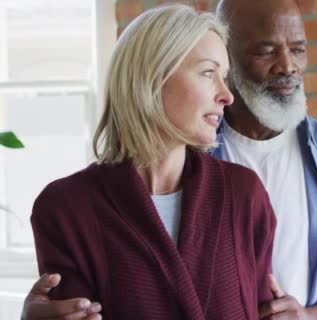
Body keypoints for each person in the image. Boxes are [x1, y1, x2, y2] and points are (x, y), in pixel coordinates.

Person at [21, 0, 317, 319]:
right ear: (152, 79)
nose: (288, 66)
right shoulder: (66, 208)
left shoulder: (262, 186)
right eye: (265, 50)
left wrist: (316, 316)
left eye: (298, 49)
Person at [26, 4, 276, 320]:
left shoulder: (245, 194)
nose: (227, 95)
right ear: (153, 76)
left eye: (224, 77)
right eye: (209, 73)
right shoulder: (64, 209)